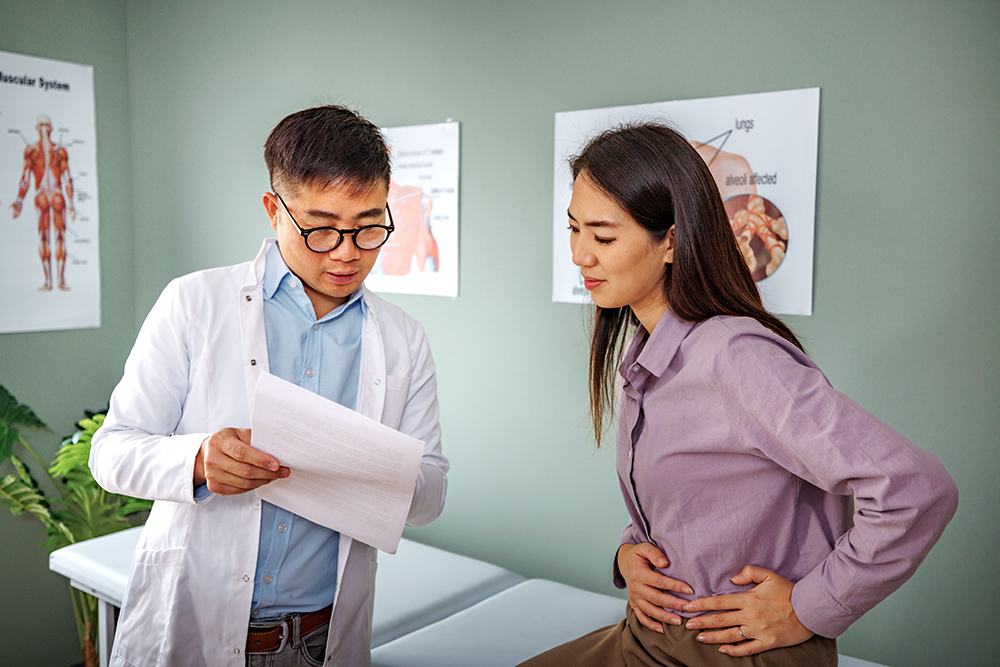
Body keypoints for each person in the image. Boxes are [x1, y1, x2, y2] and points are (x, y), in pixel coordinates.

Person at [518, 123, 957, 667]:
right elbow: (691, 505)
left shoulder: (736, 355)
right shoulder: (646, 352)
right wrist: (629, 554)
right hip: (649, 634)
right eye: (574, 228)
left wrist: (809, 606)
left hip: (728, 652)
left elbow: (916, 489)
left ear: (673, 241)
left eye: (603, 236)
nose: (580, 254)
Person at [90, 105, 449, 667]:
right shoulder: (193, 303)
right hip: (194, 628)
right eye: (322, 228)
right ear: (274, 210)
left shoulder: (403, 338)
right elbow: (111, 453)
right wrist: (201, 460)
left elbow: (431, 495)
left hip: (318, 642)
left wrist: (372, 467)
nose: (348, 251)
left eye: (369, 226)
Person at [10, 113, 76, 291]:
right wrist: (71, 205)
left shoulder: (39, 151)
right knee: (53, 237)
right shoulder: (52, 151)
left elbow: (26, 178)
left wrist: (19, 200)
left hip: (45, 194)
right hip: (54, 194)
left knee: (48, 237)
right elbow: (67, 179)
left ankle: (52, 281)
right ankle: (56, 280)